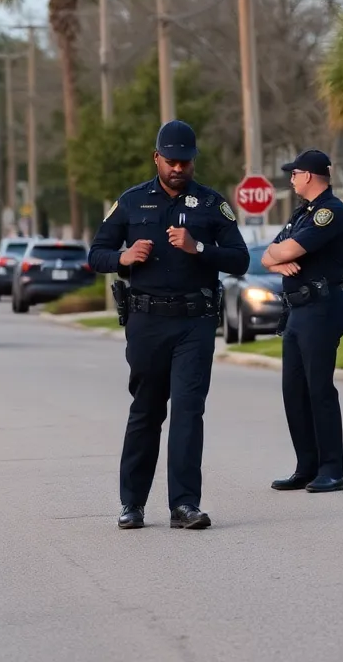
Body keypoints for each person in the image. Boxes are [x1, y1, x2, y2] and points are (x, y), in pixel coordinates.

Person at [88, 119, 250, 531]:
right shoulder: (131, 202)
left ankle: (185, 505)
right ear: (156, 157)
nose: (179, 168)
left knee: (188, 412)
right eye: (172, 161)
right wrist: (123, 258)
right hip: (146, 321)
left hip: (194, 322)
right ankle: (132, 504)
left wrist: (199, 248)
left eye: (186, 161)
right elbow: (97, 253)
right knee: (146, 411)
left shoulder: (213, 205)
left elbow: (240, 259)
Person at [260, 149, 343, 494]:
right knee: (294, 391)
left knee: (319, 388)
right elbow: (271, 252)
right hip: (298, 310)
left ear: (309, 176)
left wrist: (280, 255)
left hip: (321, 306)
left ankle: (332, 469)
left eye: (295, 173)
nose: (292, 179)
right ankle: (307, 466)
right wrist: (278, 260)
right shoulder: (303, 213)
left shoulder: (330, 212)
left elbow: (283, 251)